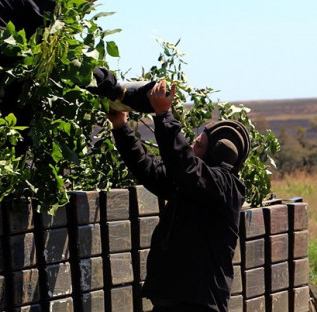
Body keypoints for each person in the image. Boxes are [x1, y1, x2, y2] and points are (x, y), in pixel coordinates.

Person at [106, 80, 249, 312]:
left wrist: (164, 115)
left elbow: (185, 165)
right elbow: (150, 171)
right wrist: (121, 127)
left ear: (216, 152)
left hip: (197, 305)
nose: (192, 150)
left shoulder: (224, 187)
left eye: (199, 146)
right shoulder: (193, 185)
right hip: (171, 302)